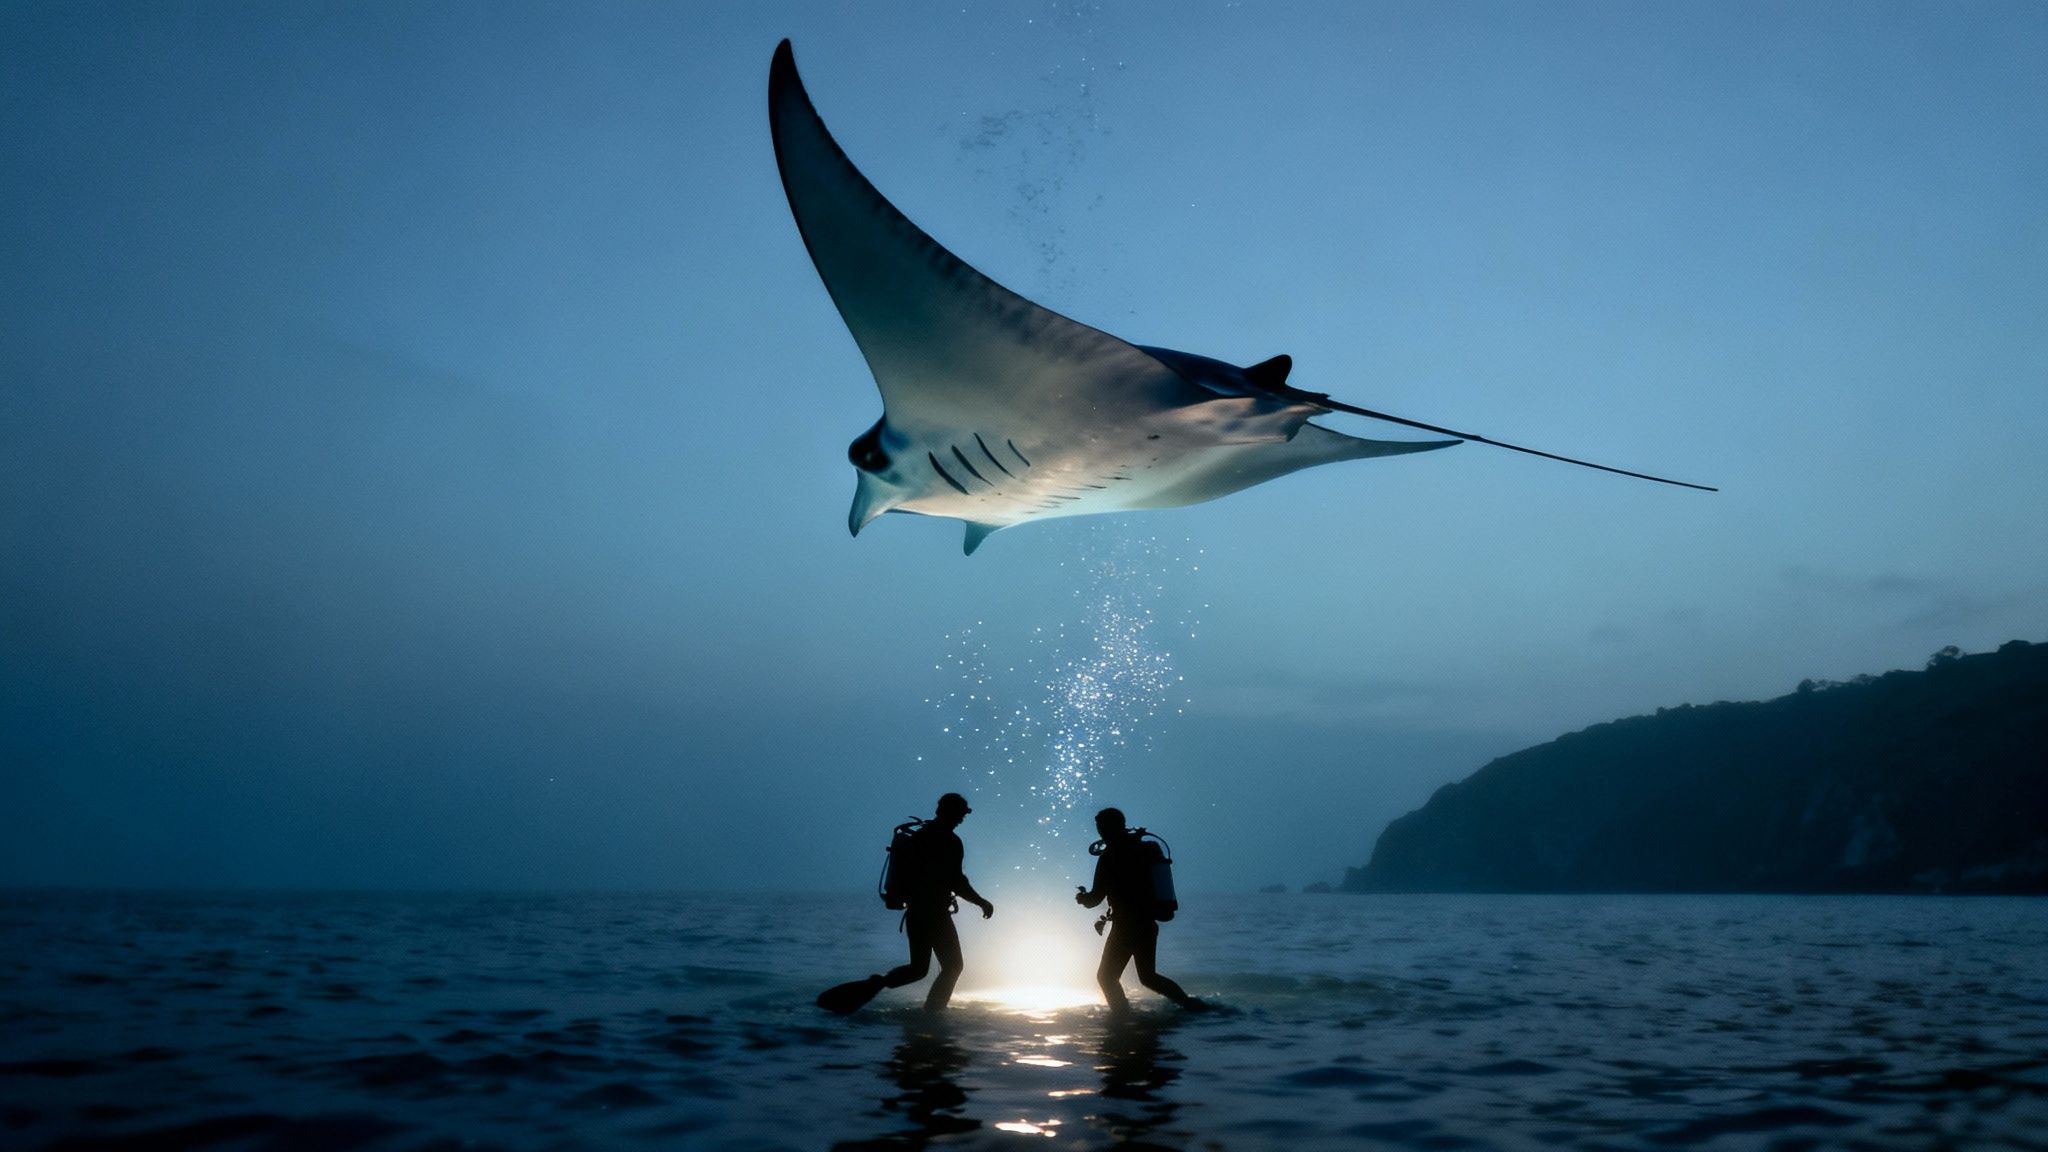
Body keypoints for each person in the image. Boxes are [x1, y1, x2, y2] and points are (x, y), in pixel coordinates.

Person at [828, 792, 994, 1013]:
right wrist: (981, 902)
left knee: (918, 969)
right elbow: (957, 881)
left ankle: (879, 984)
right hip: (934, 914)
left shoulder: (920, 837)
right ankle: (933, 1013)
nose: (961, 819)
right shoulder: (949, 841)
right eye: (959, 815)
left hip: (916, 913)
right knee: (953, 967)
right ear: (949, 813)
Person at [1075, 807, 1205, 1012]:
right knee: (1148, 977)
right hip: (1147, 924)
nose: (1100, 832)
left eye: (1101, 827)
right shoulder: (1144, 850)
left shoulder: (1110, 857)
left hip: (1125, 927)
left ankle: (1123, 1019)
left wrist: (1082, 898)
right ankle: (1194, 1007)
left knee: (1106, 978)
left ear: (1110, 827)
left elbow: (1095, 899)